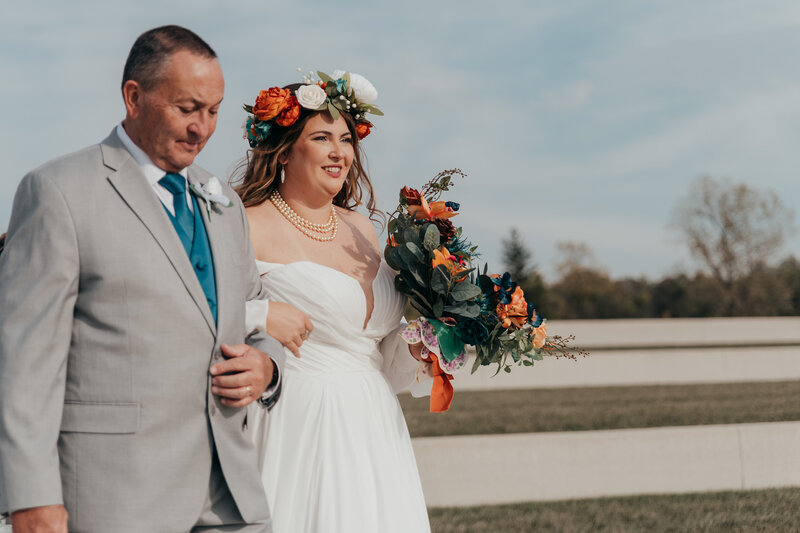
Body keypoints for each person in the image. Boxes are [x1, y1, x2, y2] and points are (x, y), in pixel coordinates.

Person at [0, 25, 297, 533]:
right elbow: (22, 359)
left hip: (232, 498)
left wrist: (267, 365)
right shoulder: (58, 192)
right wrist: (31, 497)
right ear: (134, 97)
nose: (202, 128)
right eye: (187, 108)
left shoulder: (221, 201)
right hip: (116, 497)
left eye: (214, 110)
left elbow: (253, 307)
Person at [236, 72, 432, 532]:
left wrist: (426, 344)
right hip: (299, 420)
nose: (339, 152)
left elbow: (374, 352)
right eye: (321, 137)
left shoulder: (363, 230)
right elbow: (196, 310)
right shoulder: (247, 225)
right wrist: (258, 314)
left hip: (375, 422)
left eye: (345, 139)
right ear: (283, 149)